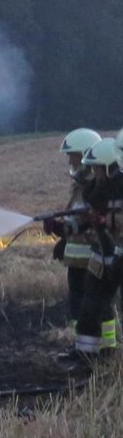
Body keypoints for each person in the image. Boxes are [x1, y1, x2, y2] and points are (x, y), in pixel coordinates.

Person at [46, 135, 123, 362]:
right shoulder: (97, 193)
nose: (95, 174)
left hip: (117, 254)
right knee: (89, 306)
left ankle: (109, 354)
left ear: (110, 168)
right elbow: (85, 222)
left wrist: (105, 220)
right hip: (102, 257)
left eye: (98, 170)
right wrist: (63, 228)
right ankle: (86, 355)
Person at [50, 128, 104, 350]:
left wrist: (67, 228)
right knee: (77, 305)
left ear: (85, 155)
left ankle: (101, 350)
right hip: (76, 261)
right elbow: (78, 221)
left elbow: (95, 223)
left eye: (73, 154)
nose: (70, 160)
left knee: (94, 306)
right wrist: (61, 233)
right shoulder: (78, 186)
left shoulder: (98, 187)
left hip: (94, 260)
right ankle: (81, 348)